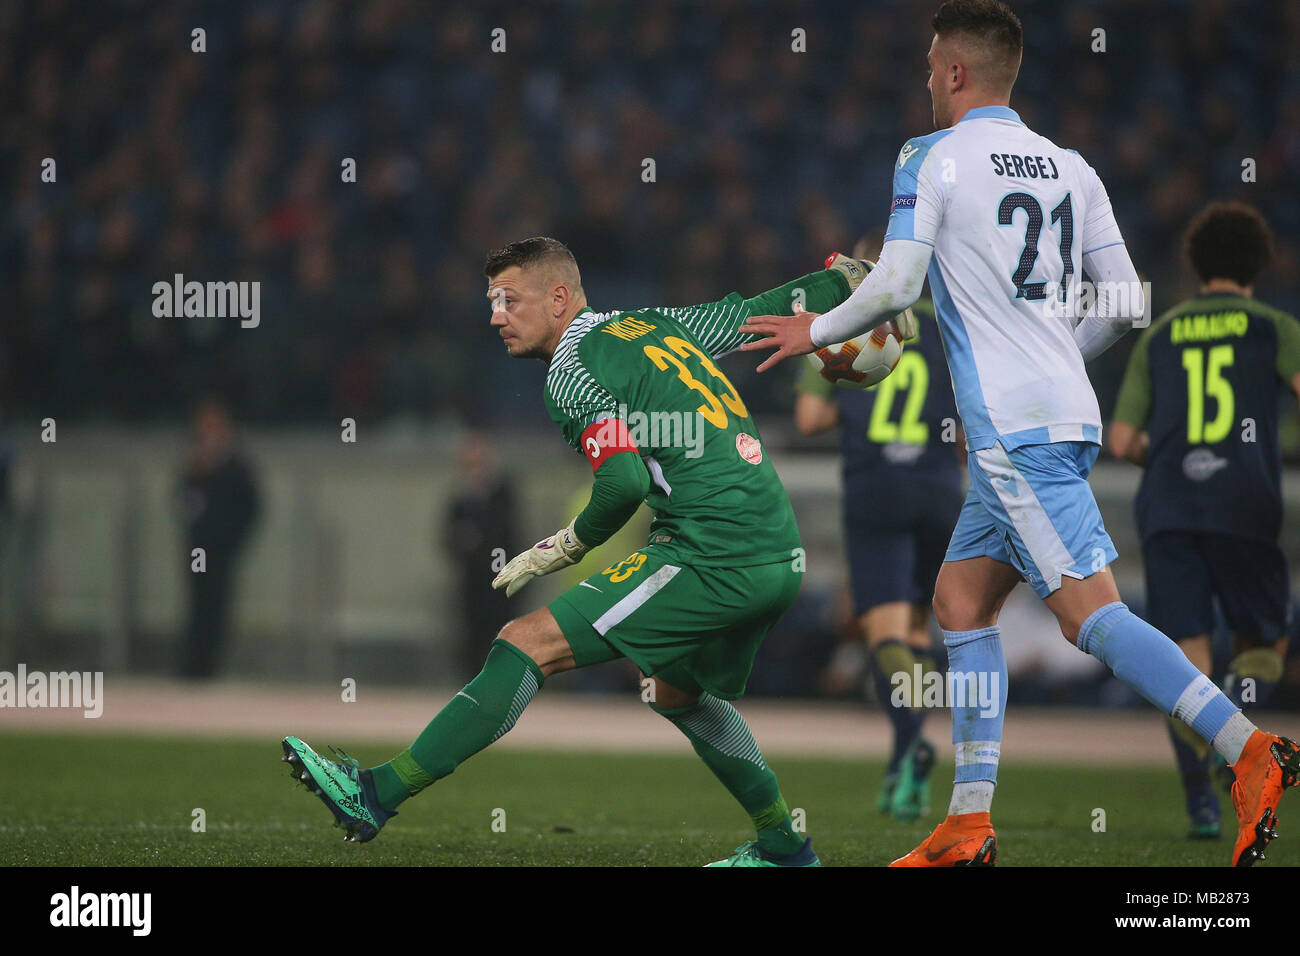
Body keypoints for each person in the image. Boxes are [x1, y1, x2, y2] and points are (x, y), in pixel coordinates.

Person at [739, 0, 1299, 867]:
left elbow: (894, 283)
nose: (926, 77)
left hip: (1012, 431)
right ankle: (968, 822)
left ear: (957, 71)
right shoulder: (1070, 166)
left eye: (931, 64)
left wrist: (808, 331)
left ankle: (1250, 751)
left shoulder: (931, 156)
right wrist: (1055, 359)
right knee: (960, 606)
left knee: (1092, 616)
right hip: (1060, 416)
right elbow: (1130, 301)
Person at [282, 237, 890, 866]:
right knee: (675, 690)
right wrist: (851, 283)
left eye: (510, 299)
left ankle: (373, 795)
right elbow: (760, 312)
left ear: (560, 299)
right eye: (492, 301)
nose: (495, 315)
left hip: (713, 550)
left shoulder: (571, 370)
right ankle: (784, 848)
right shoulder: (651, 325)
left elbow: (624, 480)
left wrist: (565, 545)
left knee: (524, 642)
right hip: (776, 549)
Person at [1110, 202, 1300, 839]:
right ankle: (1239, 750)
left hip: (1168, 505)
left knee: (1185, 668)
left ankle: (1200, 802)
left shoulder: (1162, 333)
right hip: (1246, 502)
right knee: (1264, 648)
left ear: (1195, 265)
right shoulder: (1275, 325)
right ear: (1258, 265)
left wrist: (1165, 454)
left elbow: (1122, 439)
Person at [795, 235, 964, 821]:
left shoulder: (844, 323)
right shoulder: (948, 327)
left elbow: (809, 417)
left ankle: (911, 747)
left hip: (875, 490)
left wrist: (850, 382)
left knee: (885, 637)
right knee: (920, 635)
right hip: (940, 490)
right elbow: (972, 426)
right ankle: (904, 766)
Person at [177, 396, 260, 679]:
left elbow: (251, 507)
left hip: (221, 550)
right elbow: (183, 502)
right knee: (196, 605)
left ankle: (208, 668)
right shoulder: (196, 462)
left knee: (216, 607)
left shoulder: (236, 465)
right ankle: (192, 666)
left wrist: (231, 539)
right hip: (197, 548)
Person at [443, 432, 517, 680]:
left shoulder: (502, 492)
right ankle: (474, 683)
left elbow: (508, 531)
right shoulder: (461, 497)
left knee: (500, 632)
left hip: (500, 576)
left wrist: (478, 542)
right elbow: (449, 537)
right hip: (473, 579)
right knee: (472, 636)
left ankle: (500, 682)